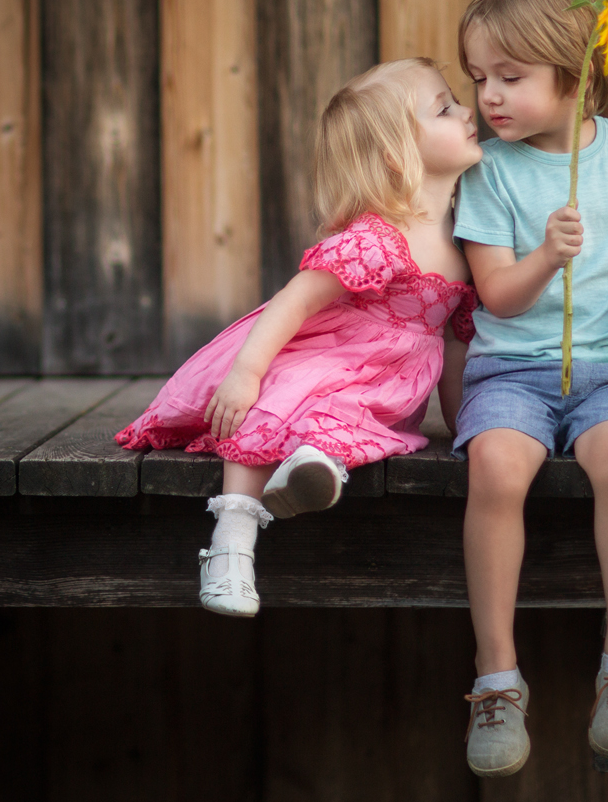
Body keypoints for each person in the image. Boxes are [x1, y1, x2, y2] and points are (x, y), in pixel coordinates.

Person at [117, 58, 482, 617]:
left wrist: (461, 424)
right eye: (444, 107)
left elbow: (455, 345)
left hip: (385, 390)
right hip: (325, 356)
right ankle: (231, 544)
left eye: (455, 100)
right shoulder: (379, 238)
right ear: (395, 153)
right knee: (276, 402)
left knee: (344, 417)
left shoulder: (468, 247)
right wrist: (246, 372)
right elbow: (294, 301)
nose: (466, 110)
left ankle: (311, 465)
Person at [452, 0, 608, 776]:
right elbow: (496, 294)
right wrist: (549, 255)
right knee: (495, 464)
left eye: (511, 78)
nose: (490, 96)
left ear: (576, 69)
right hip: (510, 373)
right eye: (480, 78)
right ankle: (496, 678)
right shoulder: (486, 170)